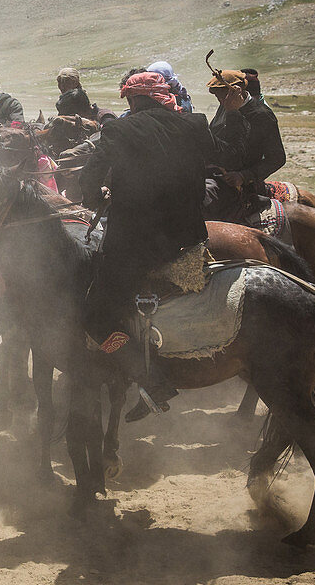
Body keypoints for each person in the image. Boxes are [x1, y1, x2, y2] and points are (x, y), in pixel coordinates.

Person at [77, 70, 247, 421]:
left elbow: (89, 178)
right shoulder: (195, 124)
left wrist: (98, 196)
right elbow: (227, 154)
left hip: (134, 246)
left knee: (96, 316)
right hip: (188, 242)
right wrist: (234, 112)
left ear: (133, 99)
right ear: (162, 96)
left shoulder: (119, 130)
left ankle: (149, 380)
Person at [205, 69, 285, 220]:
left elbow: (277, 158)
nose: (219, 100)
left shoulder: (262, 115)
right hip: (216, 174)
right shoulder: (226, 105)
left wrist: (243, 176)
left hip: (241, 184)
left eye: (221, 95)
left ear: (236, 90)